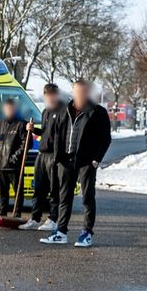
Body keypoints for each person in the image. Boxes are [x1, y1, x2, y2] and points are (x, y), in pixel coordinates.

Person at [41, 79, 112, 247]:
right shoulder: (64, 110)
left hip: (86, 162)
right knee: (64, 197)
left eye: (83, 92)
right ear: (73, 92)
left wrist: (96, 159)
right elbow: (58, 134)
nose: (79, 95)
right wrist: (58, 158)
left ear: (88, 93)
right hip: (66, 161)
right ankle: (61, 232)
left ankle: (86, 233)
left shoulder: (97, 112)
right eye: (77, 92)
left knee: (87, 197)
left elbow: (105, 139)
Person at [19, 83, 63, 231]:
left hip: (54, 155)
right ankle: (35, 218)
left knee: (54, 189)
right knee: (38, 189)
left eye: (52, 95)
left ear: (57, 95)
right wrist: (33, 130)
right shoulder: (45, 112)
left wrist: (58, 156)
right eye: (47, 95)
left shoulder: (63, 111)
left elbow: (61, 136)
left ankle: (53, 219)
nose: (50, 98)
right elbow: (46, 132)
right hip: (42, 155)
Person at [0, 98, 31, 218]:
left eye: (11, 108)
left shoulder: (22, 124)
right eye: (7, 108)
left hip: (15, 165)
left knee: (18, 191)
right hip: (1, 163)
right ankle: (2, 211)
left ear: (15, 109)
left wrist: (15, 158)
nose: (9, 110)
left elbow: (26, 144)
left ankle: (17, 212)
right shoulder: (0, 123)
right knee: (2, 191)